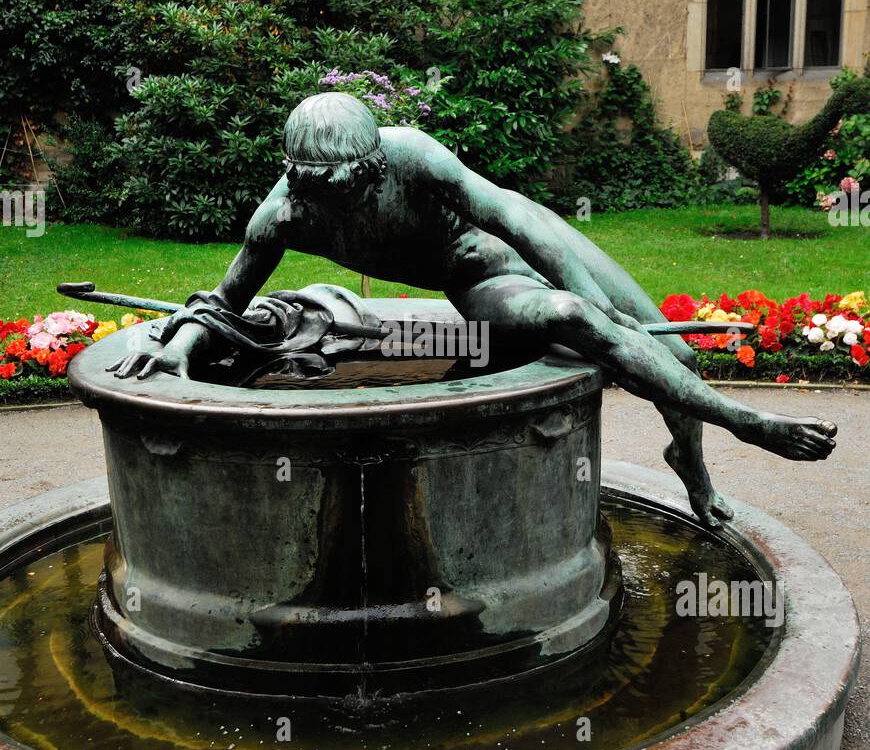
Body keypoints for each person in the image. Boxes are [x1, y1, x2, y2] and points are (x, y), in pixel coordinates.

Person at [117, 92, 836, 526]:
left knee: (667, 348)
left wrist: (591, 295)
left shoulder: (413, 154)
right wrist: (182, 347)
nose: (332, 206)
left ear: (370, 165)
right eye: (315, 193)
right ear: (296, 178)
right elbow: (223, 301)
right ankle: (748, 423)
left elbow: (515, 224)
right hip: (477, 278)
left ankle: (694, 465)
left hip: (523, 235)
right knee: (580, 324)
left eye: (348, 189)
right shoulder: (282, 216)